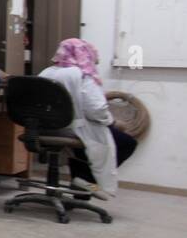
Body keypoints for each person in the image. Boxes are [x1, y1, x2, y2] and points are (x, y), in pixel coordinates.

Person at [37, 38, 135, 198]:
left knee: (87, 142)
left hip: (45, 128)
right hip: (74, 130)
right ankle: (86, 181)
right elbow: (97, 109)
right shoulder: (82, 75)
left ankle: (81, 185)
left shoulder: (45, 73)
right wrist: (113, 122)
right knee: (127, 142)